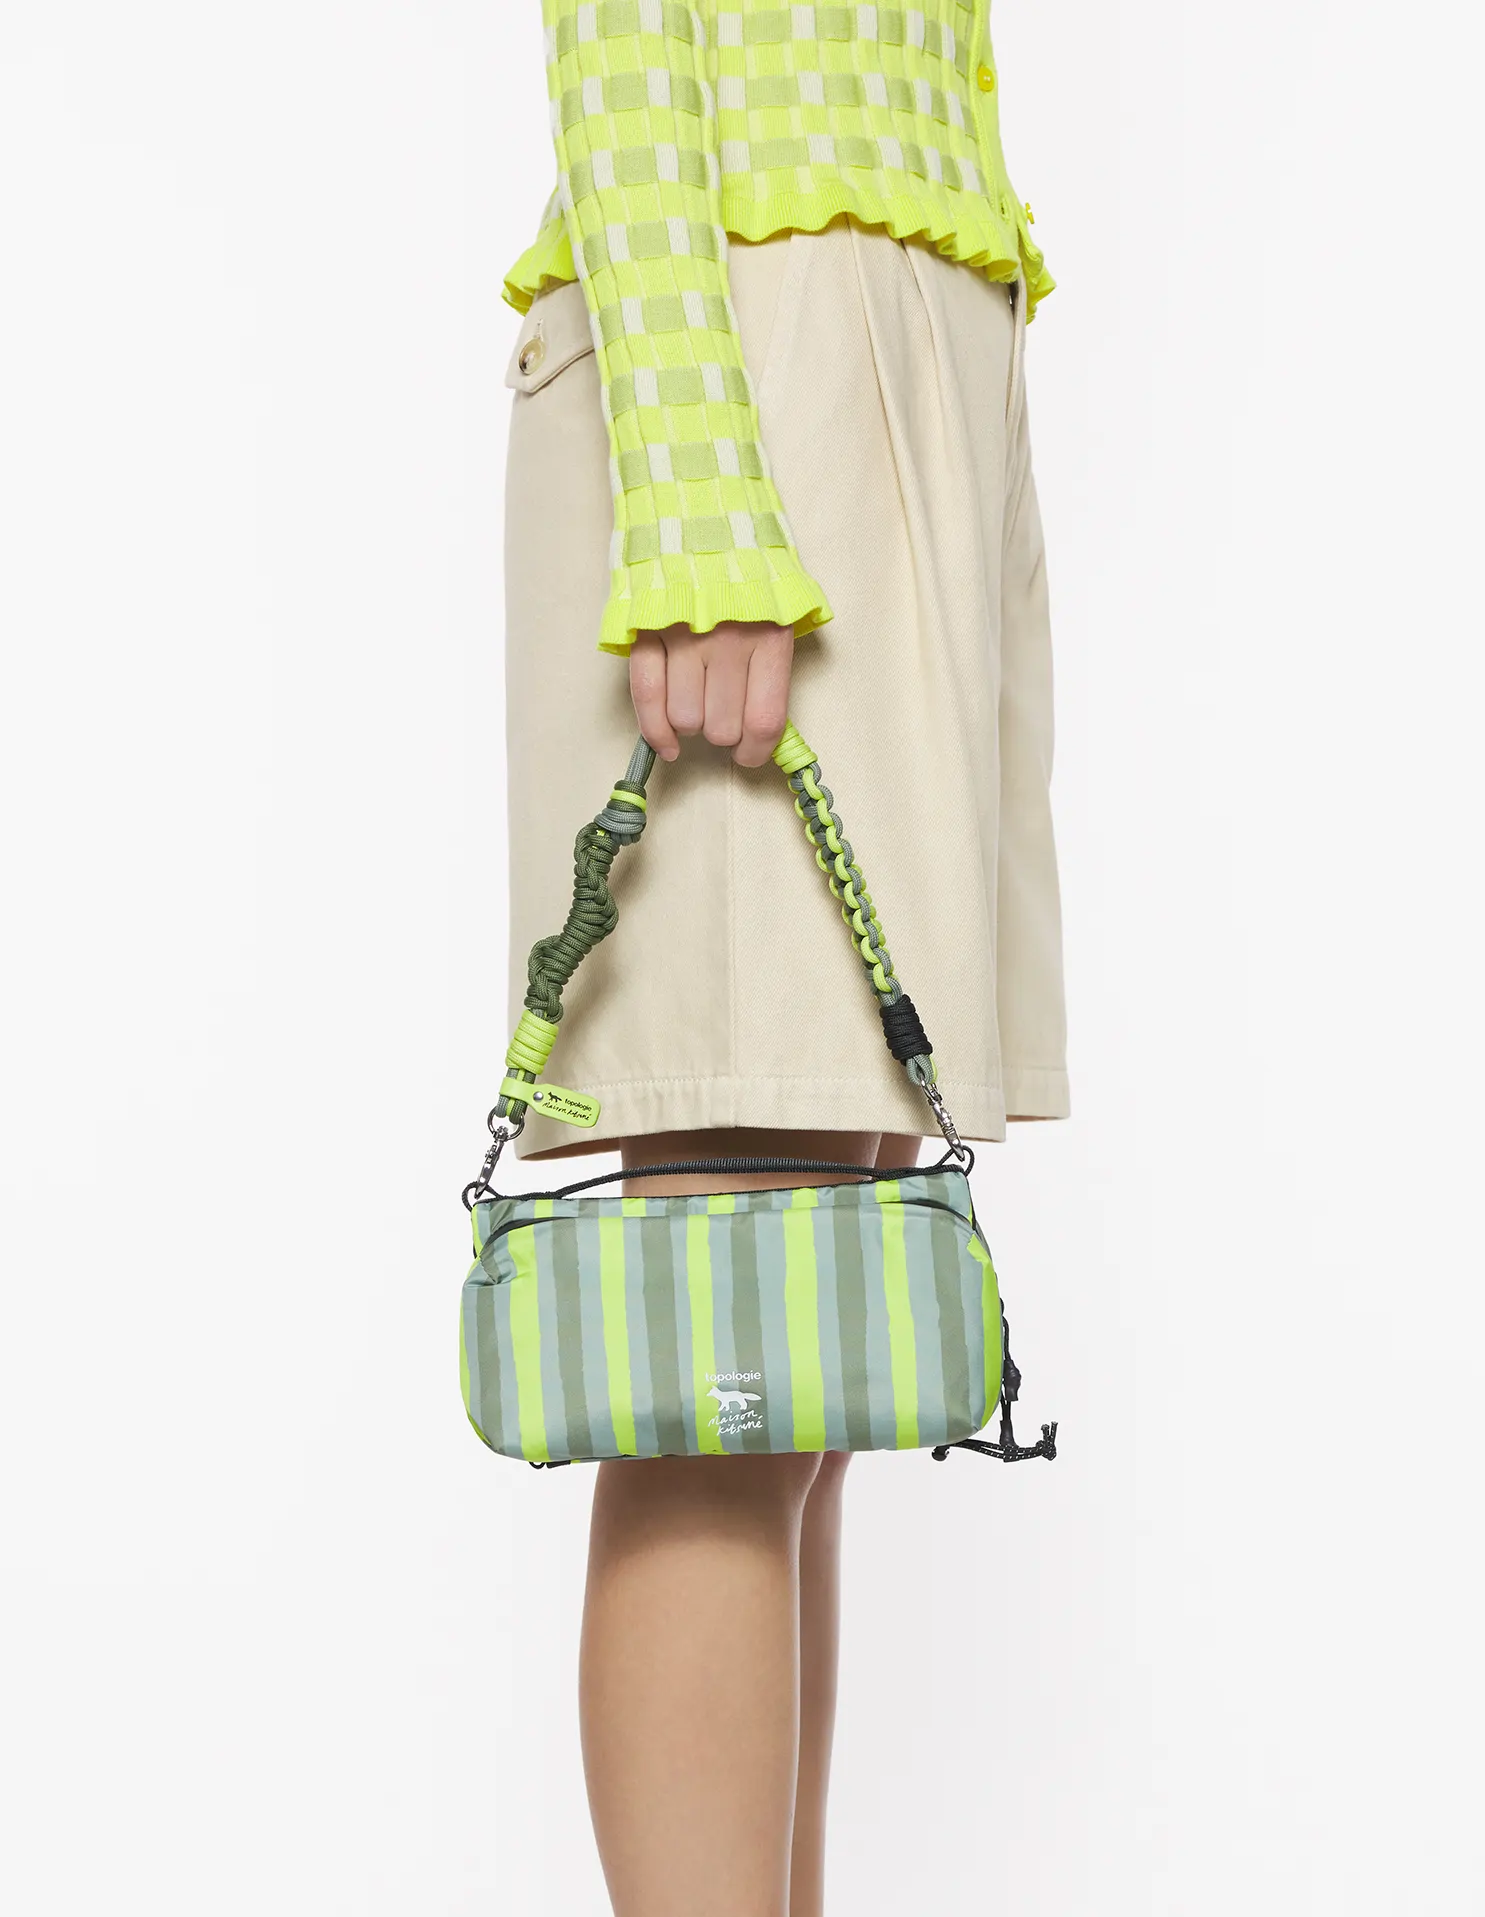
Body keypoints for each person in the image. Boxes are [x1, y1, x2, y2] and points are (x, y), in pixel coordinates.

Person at [499, 5, 1067, 1910]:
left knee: (797, 1343)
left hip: (884, 371)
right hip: (760, 383)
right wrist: (693, 507)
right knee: (723, 1344)